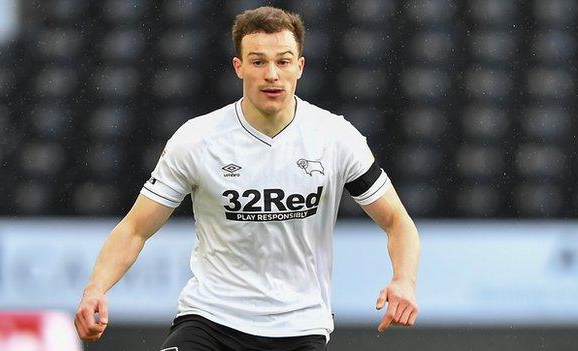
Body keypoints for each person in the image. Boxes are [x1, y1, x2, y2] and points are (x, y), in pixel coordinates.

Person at [74, 6, 420, 351]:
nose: (272, 74)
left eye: (283, 61)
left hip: (299, 326)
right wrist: (95, 289)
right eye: (258, 62)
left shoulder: (335, 138)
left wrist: (404, 280)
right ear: (239, 67)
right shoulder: (197, 140)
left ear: (299, 67)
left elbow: (397, 221)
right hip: (211, 319)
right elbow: (135, 228)